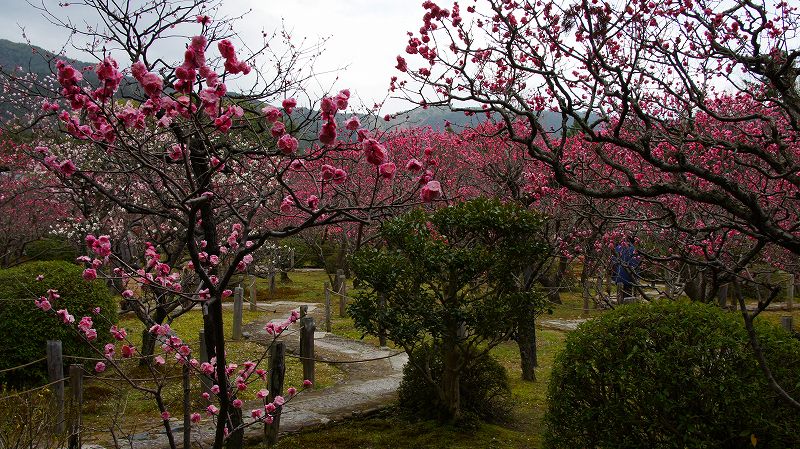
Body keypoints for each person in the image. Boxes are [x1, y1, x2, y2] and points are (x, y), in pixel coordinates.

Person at [612, 237, 639, 303]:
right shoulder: (633, 249)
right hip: (629, 275)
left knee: (620, 292)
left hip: (619, 274)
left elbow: (614, 260)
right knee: (628, 293)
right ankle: (626, 306)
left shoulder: (618, 248)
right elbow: (634, 263)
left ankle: (620, 305)